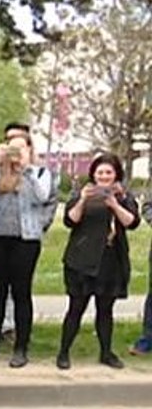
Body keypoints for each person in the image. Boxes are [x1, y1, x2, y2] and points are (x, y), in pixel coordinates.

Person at [0, 134, 50, 368]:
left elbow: (42, 197)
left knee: (21, 293)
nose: (15, 154)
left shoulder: (37, 174)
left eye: (20, 149)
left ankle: (21, 347)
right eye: (11, 149)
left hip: (25, 240)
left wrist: (24, 169)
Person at [57, 154, 141, 370]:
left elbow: (132, 223)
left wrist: (114, 204)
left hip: (110, 261)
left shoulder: (124, 197)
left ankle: (106, 352)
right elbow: (70, 220)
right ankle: (64, 352)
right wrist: (84, 199)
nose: (104, 177)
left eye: (109, 173)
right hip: (81, 260)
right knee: (76, 307)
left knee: (105, 310)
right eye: (100, 172)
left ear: (116, 175)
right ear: (93, 174)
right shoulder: (82, 193)